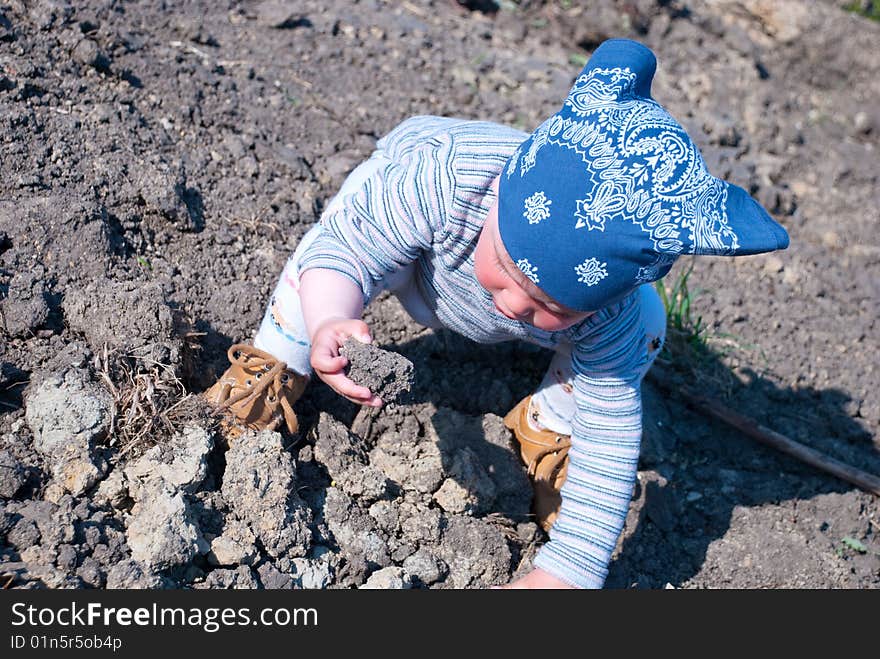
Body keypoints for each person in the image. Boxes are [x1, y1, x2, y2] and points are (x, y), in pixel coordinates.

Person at [204, 39, 790, 588]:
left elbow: (612, 432)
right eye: (508, 272)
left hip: (552, 294)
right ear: (501, 202)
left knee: (646, 332)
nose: (514, 303)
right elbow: (345, 248)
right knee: (320, 264)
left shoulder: (609, 312)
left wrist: (569, 571)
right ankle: (279, 358)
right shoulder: (438, 181)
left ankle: (549, 426)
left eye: (548, 305)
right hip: (419, 261)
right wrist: (332, 318)